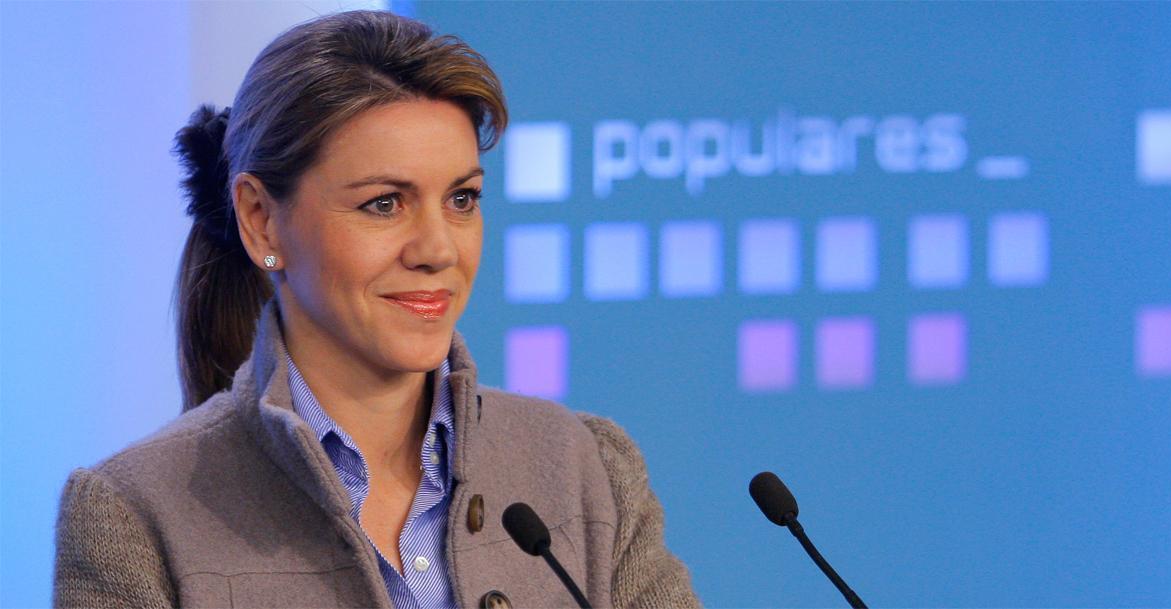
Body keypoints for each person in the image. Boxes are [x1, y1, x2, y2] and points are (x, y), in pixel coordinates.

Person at [52, 10, 700, 609]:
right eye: (384, 203)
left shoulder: (587, 470)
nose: (438, 249)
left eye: (462, 199)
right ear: (261, 220)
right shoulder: (133, 517)